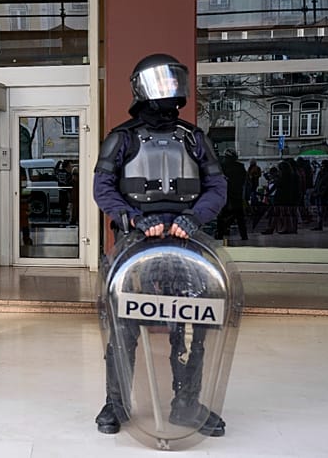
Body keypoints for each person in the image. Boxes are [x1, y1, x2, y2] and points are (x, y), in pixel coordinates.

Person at [92, 53, 228, 437]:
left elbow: (218, 186)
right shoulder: (122, 138)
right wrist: (132, 217)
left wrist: (195, 216)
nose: (168, 91)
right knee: (123, 326)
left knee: (193, 324)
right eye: (160, 82)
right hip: (136, 241)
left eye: (174, 82)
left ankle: (187, 402)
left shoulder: (193, 138)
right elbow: (102, 187)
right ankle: (115, 402)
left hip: (187, 241)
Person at [215, 149, 248, 241]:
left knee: (222, 216)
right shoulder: (240, 167)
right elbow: (244, 180)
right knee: (239, 216)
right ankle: (244, 235)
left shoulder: (222, 166)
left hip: (225, 194)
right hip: (237, 194)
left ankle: (220, 234)